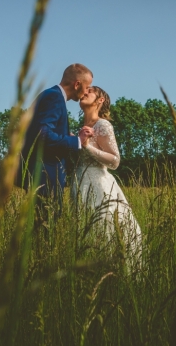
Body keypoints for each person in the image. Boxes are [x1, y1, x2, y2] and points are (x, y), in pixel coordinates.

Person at [71, 86, 142, 262]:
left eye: (90, 91)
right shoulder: (82, 128)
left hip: (99, 186)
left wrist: (87, 146)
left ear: (100, 100)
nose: (84, 92)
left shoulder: (102, 125)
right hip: (79, 184)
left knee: (104, 231)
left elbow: (115, 161)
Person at [16, 63, 94, 218]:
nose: (86, 92)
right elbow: (42, 134)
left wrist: (66, 135)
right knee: (45, 230)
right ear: (77, 84)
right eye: (87, 87)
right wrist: (77, 141)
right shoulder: (55, 97)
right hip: (45, 177)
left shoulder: (49, 94)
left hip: (40, 174)